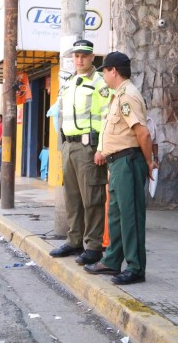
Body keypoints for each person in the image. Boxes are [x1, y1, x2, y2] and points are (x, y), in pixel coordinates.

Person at [83, 51, 156, 285]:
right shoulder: (118, 95)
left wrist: (148, 162)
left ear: (113, 70)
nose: (102, 74)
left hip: (128, 161)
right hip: (117, 162)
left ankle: (135, 267)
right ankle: (113, 260)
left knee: (130, 215)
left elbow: (142, 133)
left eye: (104, 70)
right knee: (115, 215)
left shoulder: (127, 96)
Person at [49, 39, 111, 266]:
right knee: (72, 197)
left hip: (89, 147)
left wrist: (102, 148)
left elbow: (107, 116)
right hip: (69, 146)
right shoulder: (69, 83)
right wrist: (62, 147)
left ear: (92, 57)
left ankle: (93, 247)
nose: (79, 59)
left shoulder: (100, 82)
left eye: (84, 55)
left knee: (92, 198)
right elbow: (61, 114)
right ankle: (74, 240)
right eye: (76, 55)